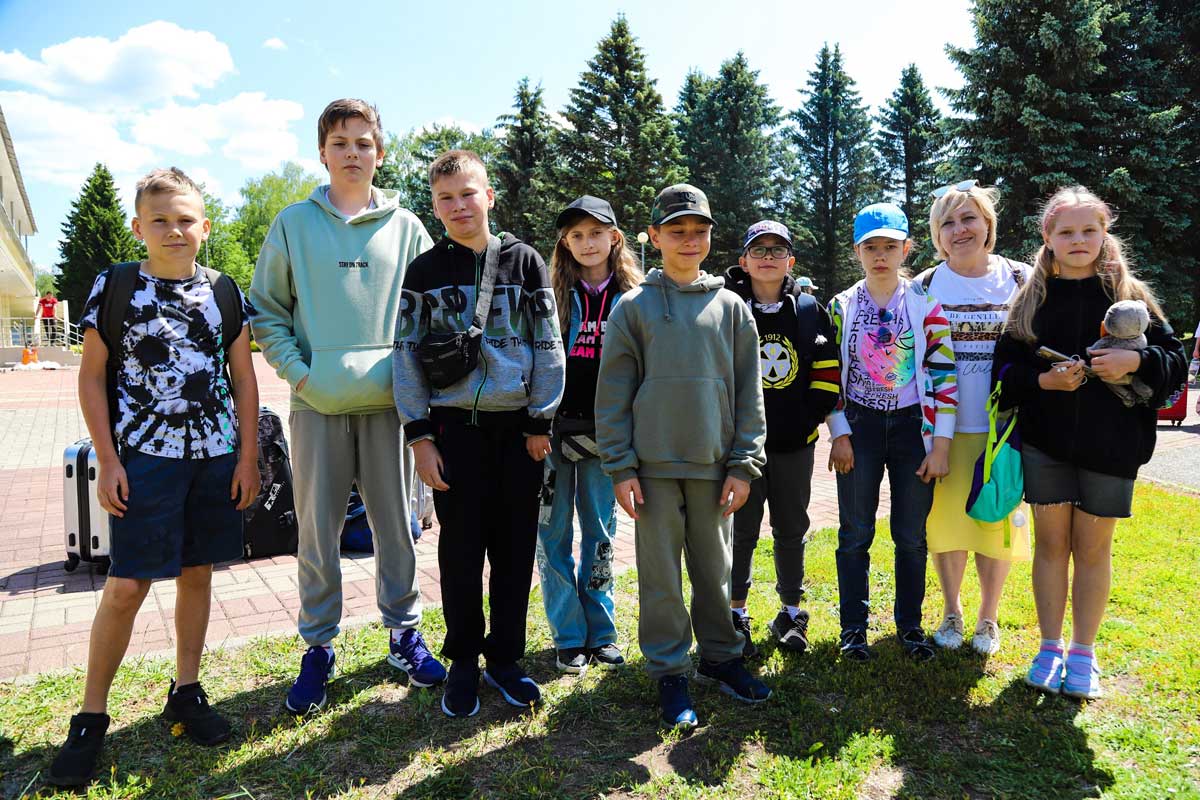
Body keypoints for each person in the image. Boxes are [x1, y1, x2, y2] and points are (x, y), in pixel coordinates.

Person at [49, 168, 259, 787]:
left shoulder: (224, 291)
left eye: (186, 220)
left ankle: (186, 691)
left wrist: (247, 457)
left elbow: (244, 380)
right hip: (144, 460)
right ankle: (90, 718)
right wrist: (108, 460)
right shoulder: (116, 286)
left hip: (215, 457)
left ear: (205, 227)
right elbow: (91, 376)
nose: (174, 230)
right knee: (126, 586)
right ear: (139, 227)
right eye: (160, 220)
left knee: (198, 573)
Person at [251, 99, 445, 714]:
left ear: (379, 153)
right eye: (340, 143)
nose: (352, 153)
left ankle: (404, 633)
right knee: (318, 532)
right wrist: (302, 376)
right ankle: (318, 646)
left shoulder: (407, 227)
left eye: (363, 143)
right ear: (322, 153)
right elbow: (267, 312)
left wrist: (414, 385)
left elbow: (428, 311)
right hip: (317, 406)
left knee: (399, 527)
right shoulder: (292, 224)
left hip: (391, 407)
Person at [994, 186, 1186, 699]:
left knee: (1094, 549)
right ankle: (1049, 647)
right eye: (1066, 231)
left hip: (1113, 446)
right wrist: (1043, 381)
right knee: (1051, 546)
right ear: (1047, 236)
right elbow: (1003, 371)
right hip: (1046, 445)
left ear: (1105, 233)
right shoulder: (1030, 300)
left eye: (1088, 230)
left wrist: (1136, 361)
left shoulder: (1130, 296)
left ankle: (1083, 652)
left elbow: (1174, 362)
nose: (1078, 240)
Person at [393, 150, 565, 718]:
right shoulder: (423, 272)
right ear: (434, 206)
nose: (458, 206)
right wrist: (420, 436)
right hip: (453, 433)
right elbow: (406, 355)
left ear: (489, 196)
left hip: (518, 434)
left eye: (468, 193)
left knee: (514, 553)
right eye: (445, 198)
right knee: (461, 554)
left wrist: (540, 420)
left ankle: (506, 660)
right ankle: (464, 658)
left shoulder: (525, 261)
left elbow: (548, 344)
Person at [595, 184, 770, 730]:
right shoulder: (633, 308)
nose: (689, 240)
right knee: (661, 578)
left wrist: (743, 464)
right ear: (654, 236)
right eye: (677, 231)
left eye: (699, 231)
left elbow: (749, 393)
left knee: (715, 571)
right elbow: (613, 395)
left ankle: (720, 657)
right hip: (652, 471)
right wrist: (621, 466)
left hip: (714, 466)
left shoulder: (732, 308)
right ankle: (670, 670)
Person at [826, 202, 957, 663]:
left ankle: (910, 627)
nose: (880, 255)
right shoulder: (841, 306)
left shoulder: (925, 305)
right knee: (854, 533)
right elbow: (830, 375)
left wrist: (940, 445)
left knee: (911, 535)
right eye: (870, 247)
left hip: (912, 431)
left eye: (889, 246)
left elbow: (944, 375)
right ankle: (853, 630)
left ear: (906, 249)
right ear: (857, 252)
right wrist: (839, 433)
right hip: (859, 428)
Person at [916, 181, 1032, 656]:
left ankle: (988, 617)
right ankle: (951, 611)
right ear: (937, 235)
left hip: (1002, 432)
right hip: (941, 431)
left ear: (988, 224)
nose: (959, 229)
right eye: (947, 222)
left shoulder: (1021, 278)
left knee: (994, 525)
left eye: (969, 218)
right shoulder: (924, 285)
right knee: (945, 526)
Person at [723, 221, 840, 657]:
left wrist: (806, 420)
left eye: (777, 250)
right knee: (741, 530)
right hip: (741, 447)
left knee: (791, 527)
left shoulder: (809, 310)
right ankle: (735, 612)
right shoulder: (727, 307)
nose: (768, 257)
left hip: (795, 444)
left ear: (790, 261)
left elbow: (827, 372)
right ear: (744, 261)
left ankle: (791, 612)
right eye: (759, 250)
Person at [537, 196, 643, 674]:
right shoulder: (550, 294)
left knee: (600, 533)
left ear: (614, 237)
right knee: (552, 533)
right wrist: (536, 423)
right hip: (552, 436)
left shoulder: (634, 297)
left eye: (596, 233)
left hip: (609, 437)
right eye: (576, 235)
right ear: (565, 243)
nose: (587, 243)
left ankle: (601, 632)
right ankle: (568, 634)